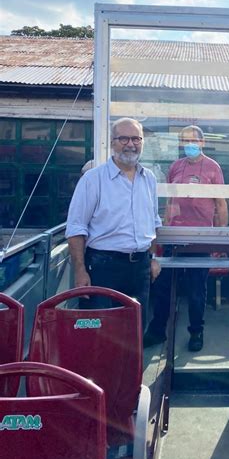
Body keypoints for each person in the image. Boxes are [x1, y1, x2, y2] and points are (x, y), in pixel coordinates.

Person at [66, 117, 162, 331]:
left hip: (140, 268)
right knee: (99, 331)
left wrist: (153, 259)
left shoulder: (149, 179)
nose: (130, 144)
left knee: (135, 329)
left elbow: (154, 223)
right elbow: (76, 228)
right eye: (124, 138)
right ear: (112, 142)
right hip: (103, 268)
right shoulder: (92, 180)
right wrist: (80, 271)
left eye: (136, 139)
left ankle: (130, 366)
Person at [145, 125, 228, 351]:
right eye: (185, 141)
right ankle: (157, 330)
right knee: (163, 286)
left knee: (196, 290)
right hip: (175, 236)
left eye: (193, 141)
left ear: (202, 143)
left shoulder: (213, 168)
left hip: (200, 238)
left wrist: (219, 238)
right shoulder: (175, 167)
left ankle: (196, 332)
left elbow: (221, 204)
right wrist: (163, 231)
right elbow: (171, 202)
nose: (189, 145)